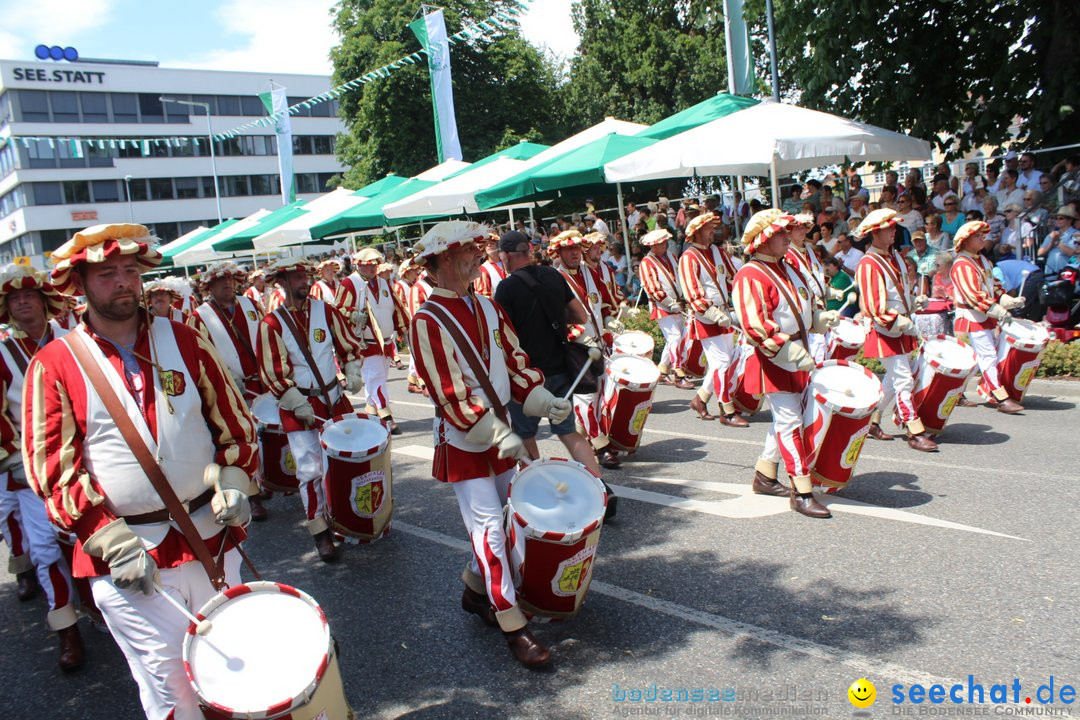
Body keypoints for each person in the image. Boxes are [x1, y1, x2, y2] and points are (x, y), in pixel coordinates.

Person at [29, 224, 258, 719]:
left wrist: (236, 481)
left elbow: (235, 426)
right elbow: (53, 469)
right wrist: (106, 538)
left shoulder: (184, 338)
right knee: (171, 682)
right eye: (107, 274)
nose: (123, 282)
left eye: (130, 271)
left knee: (237, 668)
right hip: (130, 553)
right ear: (81, 285)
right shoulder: (54, 362)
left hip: (211, 535)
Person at [410, 221, 571, 668]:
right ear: (444, 259)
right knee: (488, 532)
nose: (480, 257)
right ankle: (513, 624)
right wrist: (498, 435)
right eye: (470, 252)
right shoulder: (427, 319)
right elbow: (449, 393)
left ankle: (473, 591)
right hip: (467, 440)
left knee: (509, 523)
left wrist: (541, 398)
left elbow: (516, 361)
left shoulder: (486, 306)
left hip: (499, 427)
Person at [494, 230, 617, 516]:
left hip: (527, 375)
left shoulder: (506, 288)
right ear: (528, 251)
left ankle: (539, 487)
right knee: (568, 431)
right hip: (561, 367)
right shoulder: (553, 276)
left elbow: (504, 333)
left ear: (507, 255)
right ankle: (600, 488)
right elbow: (581, 316)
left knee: (525, 435)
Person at [0, 265, 85, 671]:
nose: (22, 303)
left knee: (95, 534)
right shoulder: (0, 353)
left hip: (85, 459)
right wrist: (14, 457)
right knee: (47, 550)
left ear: (43, 301)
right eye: (14, 299)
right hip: (31, 470)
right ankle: (67, 628)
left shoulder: (71, 340)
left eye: (29, 297)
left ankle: (116, 612)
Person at [257, 258, 365, 562]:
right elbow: (272, 371)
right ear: (282, 282)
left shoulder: (324, 309)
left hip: (333, 398)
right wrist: (294, 401)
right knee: (311, 471)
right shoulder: (272, 323)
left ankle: (347, 520)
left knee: (346, 461)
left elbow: (346, 343)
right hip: (298, 403)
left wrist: (352, 368)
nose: (304, 281)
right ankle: (320, 532)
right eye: (297, 276)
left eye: (305, 275)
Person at [732, 209, 837, 519]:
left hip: (795, 351)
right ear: (763, 240)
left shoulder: (788, 266)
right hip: (772, 358)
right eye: (780, 233)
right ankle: (801, 491)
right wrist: (788, 351)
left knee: (787, 420)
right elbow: (755, 327)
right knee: (790, 421)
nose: (787, 237)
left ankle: (765, 474)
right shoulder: (750, 274)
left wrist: (818, 320)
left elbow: (800, 306)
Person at [854, 210, 938, 452]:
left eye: (893, 227)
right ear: (875, 233)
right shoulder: (869, 263)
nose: (894, 231)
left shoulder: (896, 258)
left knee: (892, 380)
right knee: (902, 378)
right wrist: (902, 322)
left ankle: (870, 420)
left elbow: (898, 292)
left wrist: (914, 301)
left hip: (899, 326)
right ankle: (914, 430)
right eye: (888, 228)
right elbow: (874, 308)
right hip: (885, 329)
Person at [547, 230, 622, 468]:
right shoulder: (553, 278)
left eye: (577, 249)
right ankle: (601, 446)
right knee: (586, 397)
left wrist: (609, 320)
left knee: (601, 393)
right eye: (569, 249)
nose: (574, 253)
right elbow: (556, 318)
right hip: (575, 349)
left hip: (598, 344)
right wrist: (578, 337)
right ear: (558, 253)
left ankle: (587, 435)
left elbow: (604, 303)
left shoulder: (590, 272)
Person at [677, 212, 748, 425]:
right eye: (708, 228)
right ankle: (726, 411)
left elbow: (731, 277)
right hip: (706, 318)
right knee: (723, 363)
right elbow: (692, 293)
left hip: (723, 314)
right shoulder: (688, 257)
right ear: (697, 232)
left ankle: (700, 399)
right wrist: (712, 313)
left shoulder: (717, 251)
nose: (713, 231)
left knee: (722, 364)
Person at [950, 221, 1025, 413]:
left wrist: (1008, 300)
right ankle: (1000, 396)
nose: (982, 238)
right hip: (972, 315)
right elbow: (973, 296)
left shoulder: (984, 261)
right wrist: (997, 309)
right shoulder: (961, 264)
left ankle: (954, 392)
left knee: (977, 359)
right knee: (988, 355)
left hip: (985, 313)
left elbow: (995, 287)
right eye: (977, 236)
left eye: (983, 235)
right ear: (965, 241)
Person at [336, 247, 409, 434]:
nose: (372, 269)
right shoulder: (349, 283)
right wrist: (353, 315)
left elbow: (396, 307)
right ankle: (387, 416)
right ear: (358, 265)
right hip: (364, 343)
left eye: (374, 265)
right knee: (376, 379)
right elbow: (338, 311)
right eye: (368, 266)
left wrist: (403, 328)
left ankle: (370, 414)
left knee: (378, 379)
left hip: (385, 341)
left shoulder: (384, 283)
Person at [787, 214, 845, 362]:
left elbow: (817, 277)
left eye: (803, 227)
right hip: (807, 311)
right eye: (797, 228)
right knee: (816, 354)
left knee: (823, 351)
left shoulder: (809, 250)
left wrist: (829, 291)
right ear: (789, 231)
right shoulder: (787, 255)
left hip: (821, 308)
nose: (801, 231)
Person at [639, 227, 692, 388]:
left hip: (677, 303)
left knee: (675, 339)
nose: (664, 245)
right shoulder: (646, 263)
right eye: (660, 243)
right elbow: (652, 288)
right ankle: (678, 372)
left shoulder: (672, 256)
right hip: (661, 306)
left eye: (664, 242)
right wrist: (669, 303)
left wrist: (682, 299)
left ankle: (662, 371)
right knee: (675, 337)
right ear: (652, 246)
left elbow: (679, 277)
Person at [1038, 205, 1079, 280]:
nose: (1057, 220)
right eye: (1056, 218)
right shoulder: (1052, 235)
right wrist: (1051, 243)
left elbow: (1073, 253)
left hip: (1067, 274)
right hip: (1050, 273)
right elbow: (1040, 252)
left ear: (1069, 220)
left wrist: (1057, 242)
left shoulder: (1076, 234)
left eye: (1061, 218)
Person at [473, 233, 507, 299]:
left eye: (492, 242)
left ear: (498, 245)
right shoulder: (483, 269)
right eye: (486, 243)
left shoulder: (507, 262)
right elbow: (483, 298)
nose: (488, 245)